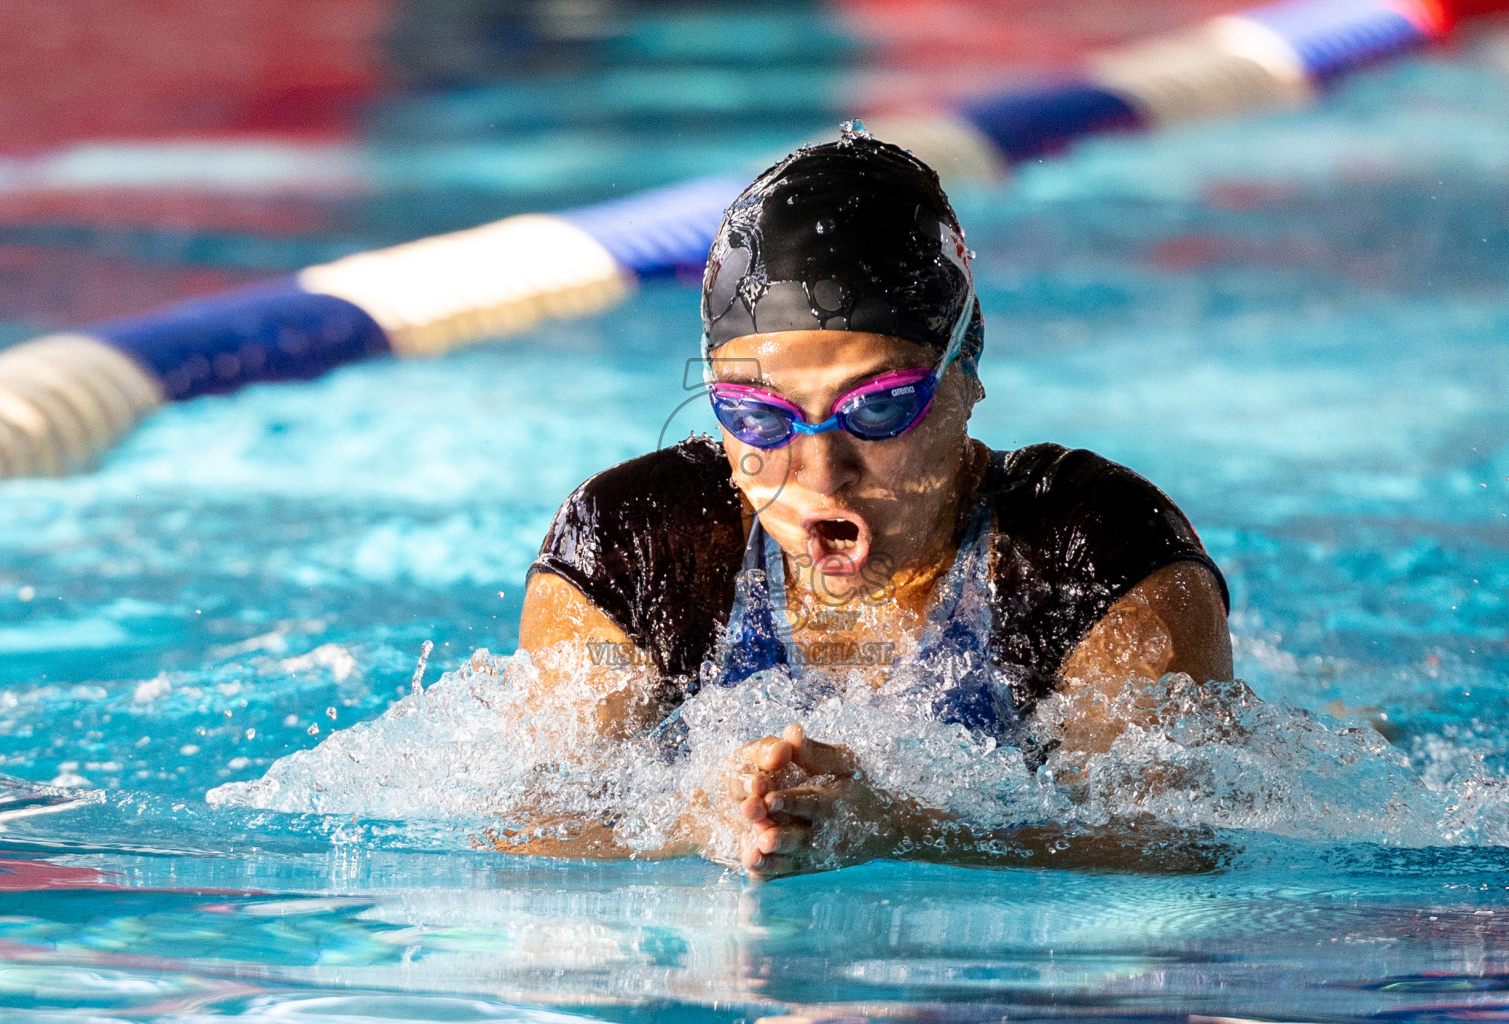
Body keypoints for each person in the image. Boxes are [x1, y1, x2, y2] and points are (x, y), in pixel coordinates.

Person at [516, 130, 1233, 879]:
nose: (822, 474)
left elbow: (1176, 852)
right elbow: (527, 830)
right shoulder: (633, 547)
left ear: (966, 363)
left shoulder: (1094, 554)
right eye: (758, 415)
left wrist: (902, 830)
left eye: (879, 407)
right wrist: (696, 820)